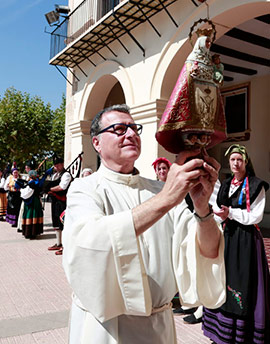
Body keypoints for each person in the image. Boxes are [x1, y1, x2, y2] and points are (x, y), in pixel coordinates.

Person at [62, 104, 226, 344]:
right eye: (119, 129)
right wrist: (167, 197)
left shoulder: (158, 189)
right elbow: (89, 241)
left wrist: (202, 209)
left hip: (158, 325)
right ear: (96, 143)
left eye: (134, 128)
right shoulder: (84, 189)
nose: (130, 134)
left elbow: (208, 250)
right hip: (107, 328)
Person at [202, 144, 270, 344]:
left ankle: (244, 333)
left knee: (243, 281)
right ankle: (221, 332)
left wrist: (230, 213)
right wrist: (219, 215)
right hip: (228, 237)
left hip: (247, 241)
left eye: (239, 159)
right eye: (232, 159)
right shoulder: (225, 184)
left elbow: (255, 216)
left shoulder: (257, 185)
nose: (236, 163)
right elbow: (216, 207)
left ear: (246, 161)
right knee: (223, 277)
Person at [156, 33, 226, 154]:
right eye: (206, 42)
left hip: (209, 93)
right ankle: (190, 144)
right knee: (194, 123)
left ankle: (202, 145)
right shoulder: (193, 57)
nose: (209, 45)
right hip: (197, 92)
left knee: (206, 122)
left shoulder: (210, 60)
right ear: (200, 43)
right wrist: (193, 70)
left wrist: (217, 74)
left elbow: (215, 75)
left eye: (210, 42)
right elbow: (188, 73)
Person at [47, 156, 72, 255]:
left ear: (62, 164)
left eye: (58, 165)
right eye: (55, 165)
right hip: (55, 201)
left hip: (63, 202)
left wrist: (50, 189)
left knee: (64, 223)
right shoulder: (54, 175)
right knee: (56, 222)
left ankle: (65, 246)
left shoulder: (66, 175)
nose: (56, 167)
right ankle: (59, 243)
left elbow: (62, 187)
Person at [18, 170, 48, 239]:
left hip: (29, 201)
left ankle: (28, 232)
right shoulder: (34, 183)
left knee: (29, 214)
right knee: (33, 214)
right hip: (34, 201)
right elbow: (39, 185)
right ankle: (33, 232)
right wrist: (44, 176)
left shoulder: (29, 182)